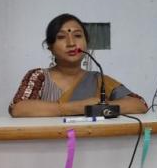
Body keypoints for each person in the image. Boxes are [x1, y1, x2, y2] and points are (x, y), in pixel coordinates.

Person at [9, 13, 148, 117]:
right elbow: (18, 108)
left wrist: (100, 107)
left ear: (87, 43)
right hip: (48, 145)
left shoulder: (98, 80)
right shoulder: (39, 76)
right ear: (50, 47)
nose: (71, 43)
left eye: (77, 36)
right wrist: (79, 107)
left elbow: (139, 104)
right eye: (61, 37)